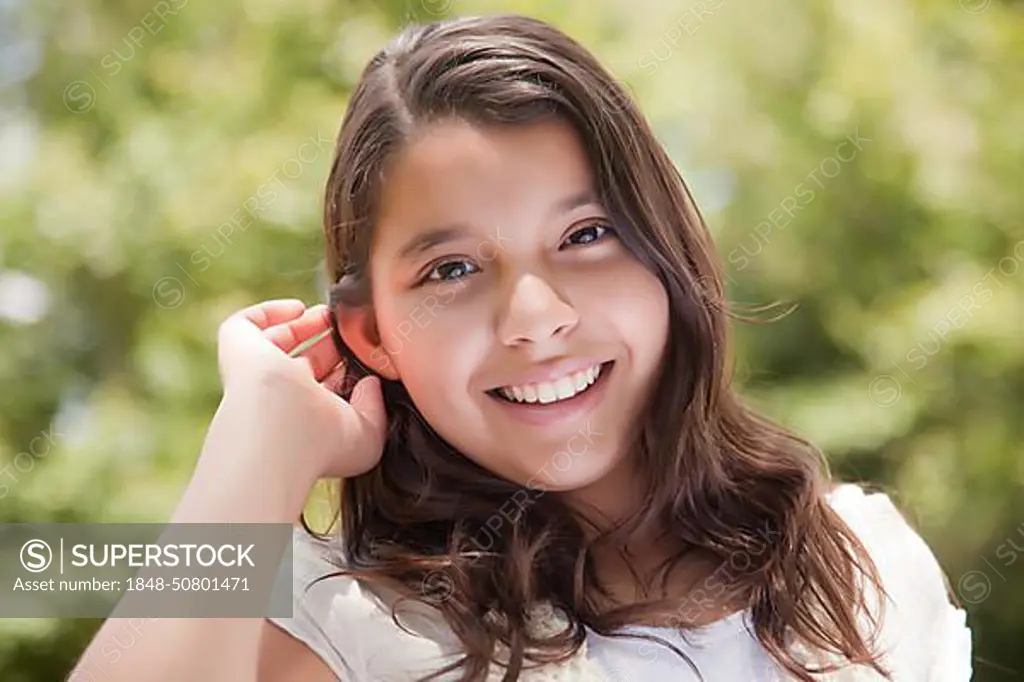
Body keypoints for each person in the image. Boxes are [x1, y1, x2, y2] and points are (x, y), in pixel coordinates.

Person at [72, 13, 972, 682]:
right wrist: (256, 443)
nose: (535, 317)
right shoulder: (340, 621)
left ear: (669, 254)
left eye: (585, 235)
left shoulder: (861, 560)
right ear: (371, 333)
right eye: (453, 268)